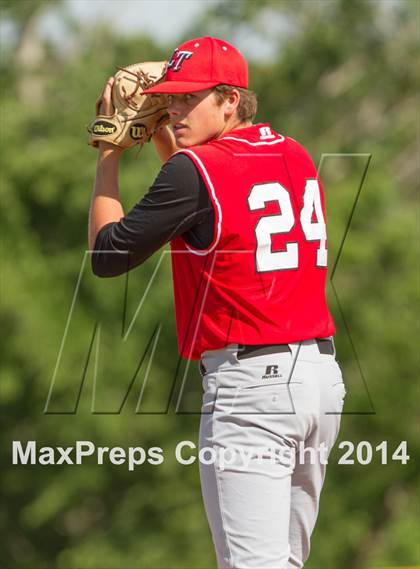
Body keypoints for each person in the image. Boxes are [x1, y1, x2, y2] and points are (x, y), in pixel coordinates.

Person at [89, 36, 346, 569]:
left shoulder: (195, 171)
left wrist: (108, 156)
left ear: (230, 100)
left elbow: (108, 254)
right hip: (320, 382)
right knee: (284, 562)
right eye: (171, 98)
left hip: (254, 390)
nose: (174, 107)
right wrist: (165, 132)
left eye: (189, 97)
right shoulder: (292, 153)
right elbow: (196, 201)